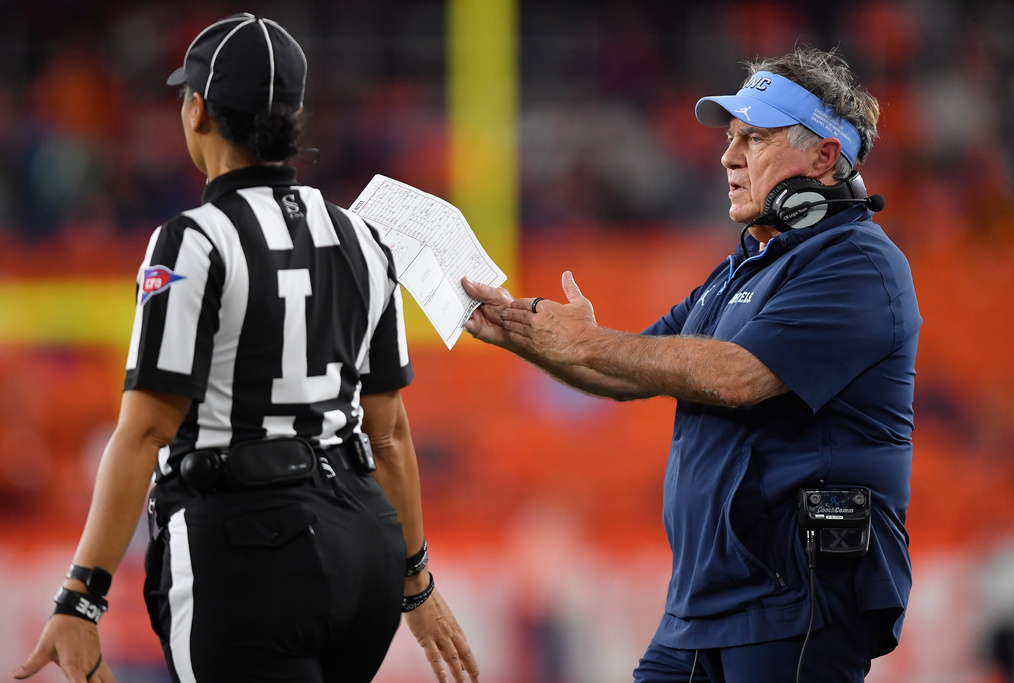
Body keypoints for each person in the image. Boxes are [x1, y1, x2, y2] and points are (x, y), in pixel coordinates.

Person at [14, 13, 478, 683]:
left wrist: (80, 598)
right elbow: (392, 435)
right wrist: (417, 580)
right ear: (293, 118)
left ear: (198, 110)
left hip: (247, 548)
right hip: (363, 552)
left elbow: (144, 432)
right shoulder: (363, 239)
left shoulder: (193, 239)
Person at [463, 46, 920, 682]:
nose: (728, 157)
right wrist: (519, 332)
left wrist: (589, 342)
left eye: (754, 139)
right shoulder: (740, 269)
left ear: (824, 155)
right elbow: (625, 370)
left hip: (797, 605)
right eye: (731, 138)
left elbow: (738, 376)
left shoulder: (857, 265)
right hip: (704, 605)